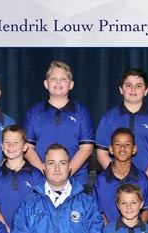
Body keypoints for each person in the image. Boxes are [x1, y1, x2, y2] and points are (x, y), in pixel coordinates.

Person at [95, 68, 148, 226]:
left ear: (146, 90)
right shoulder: (109, 117)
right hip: (113, 189)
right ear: (121, 89)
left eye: (139, 85)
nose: (133, 89)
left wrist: (142, 181)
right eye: (128, 85)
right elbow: (101, 152)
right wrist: (117, 177)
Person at [23, 61, 95, 189]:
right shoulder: (33, 113)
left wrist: (65, 174)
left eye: (63, 79)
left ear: (71, 85)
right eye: (53, 79)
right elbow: (28, 148)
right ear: (46, 84)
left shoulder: (82, 113)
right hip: (41, 182)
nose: (58, 82)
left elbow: (86, 149)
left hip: (76, 182)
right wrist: (45, 173)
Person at [92, 127, 148, 225]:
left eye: (127, 144)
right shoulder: (101, 180)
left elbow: (146, 212)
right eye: (117, 144)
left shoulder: (143, 180)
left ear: (134, 149)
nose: (122, 148)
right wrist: (110, 232)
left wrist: (135, 231)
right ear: (111, 149)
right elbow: (98, 212)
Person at [0, 125, 45, 231]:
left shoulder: (36, 175)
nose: (11, 146)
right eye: (7, 142)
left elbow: (42, 208)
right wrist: (8, 232)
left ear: (25, 147)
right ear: (1, 145)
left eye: (16, 142)